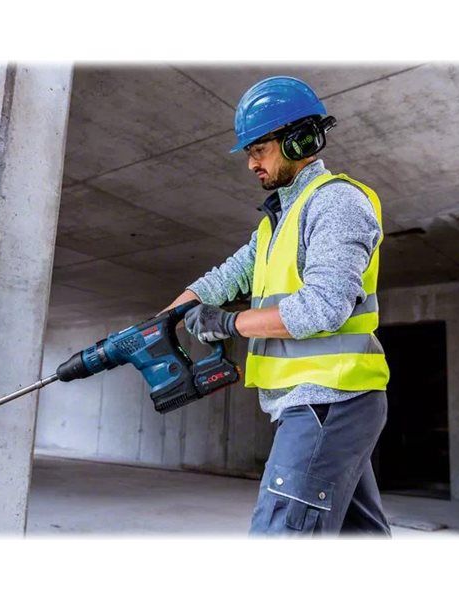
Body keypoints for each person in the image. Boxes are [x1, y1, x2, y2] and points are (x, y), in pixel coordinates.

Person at [161, 76, 392, 536]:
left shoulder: (337, 203)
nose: (251, 163)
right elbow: (224, 278)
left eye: (259, 150)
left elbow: (323, 306)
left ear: (298, 141)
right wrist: (160, 323)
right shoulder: (275, 223)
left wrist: (228, 323)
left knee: (280, 535)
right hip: (319, 404)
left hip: (329, 398)